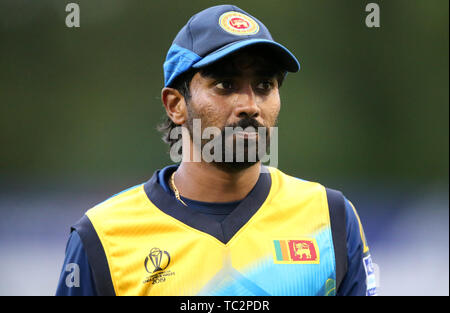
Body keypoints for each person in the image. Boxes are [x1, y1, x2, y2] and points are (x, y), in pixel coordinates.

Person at [56, 5, 376, 296]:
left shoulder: (330, 217)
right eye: (225, 84)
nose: (250, 105)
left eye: (265, 85)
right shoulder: (102, 236)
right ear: (175, 105)